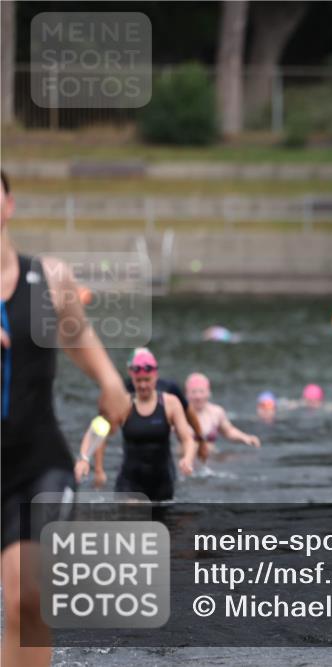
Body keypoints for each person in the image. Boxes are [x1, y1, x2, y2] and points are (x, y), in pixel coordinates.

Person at [1, 169, 132, 667]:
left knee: (27, 596)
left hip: (37, 463)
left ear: (9, 205)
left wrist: (110, 381)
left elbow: (75, 334)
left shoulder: (48, 276)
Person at [85, 349, 197, 501]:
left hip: (162, 484)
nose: (143, 385)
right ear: (132, 378)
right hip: (129, 483)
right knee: (132, 515)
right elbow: (101, 432)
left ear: (155, 377)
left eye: (147, 380)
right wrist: (98, 469)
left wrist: (188, 458)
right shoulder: (123, 404)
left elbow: (187, 438)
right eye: (138, 381)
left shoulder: (171, 403)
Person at [124, 347, 207, 460]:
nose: (143, 385)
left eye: (147, 379)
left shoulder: (169, 387)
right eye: (136, 368)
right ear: (130, 370)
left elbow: (188, 411)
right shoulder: (123, 390)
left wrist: (201, 439)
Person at [184, 373, 261, 456]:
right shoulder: (180, 413)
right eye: (193, 392)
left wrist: (246, 438)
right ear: (187, 394)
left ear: (208, 393)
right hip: (186, 460)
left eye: (201, 391)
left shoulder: (216, 412)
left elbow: (228, 431)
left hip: (212, 459)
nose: (198, 396)